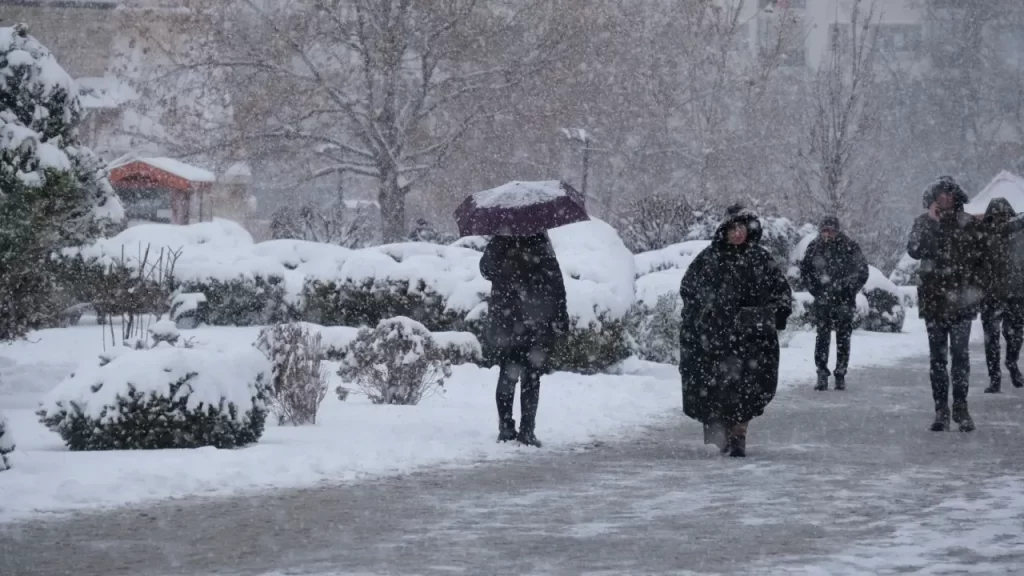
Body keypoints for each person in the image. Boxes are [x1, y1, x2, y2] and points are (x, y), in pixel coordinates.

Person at [679, 205, 793, 457]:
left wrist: (764, 315)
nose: (738, 234)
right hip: (715, 341)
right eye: (733, 228)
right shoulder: (709, 259)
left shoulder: (761, 259)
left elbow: (781, 294)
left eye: (742, 228)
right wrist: (706, 315)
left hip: (751, 342)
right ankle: (720, 435)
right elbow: (689, 290)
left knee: (746, 390)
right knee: (716, 389)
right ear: (725, 231)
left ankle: (738, 436)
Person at [906, 176, 986, 432]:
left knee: (960, 357)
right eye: (941, 195)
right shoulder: (923, 222)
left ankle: (961, 409)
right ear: (933, 198)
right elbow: (915, 250)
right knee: (938, 359)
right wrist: (932, 222)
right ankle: (941, 410)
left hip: (962, 301)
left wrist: (977, 289)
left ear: (957, 197)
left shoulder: (968, 223)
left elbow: (980, 257)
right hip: (934, 301)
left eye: (950, 194)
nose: (946, 198)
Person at [479, 233, 569, 447]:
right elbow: (556, 283)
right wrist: (560, 318)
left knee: (508, 374)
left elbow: (486, 270)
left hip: (507, 321)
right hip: (533, 319)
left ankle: (506, 428)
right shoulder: (539, 241)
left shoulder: (500, 240)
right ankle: (526, 430)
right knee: (531, 377)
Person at [800, 216, 869, 392]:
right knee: (822, 337)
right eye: (824, 230)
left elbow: (862, 271)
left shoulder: (849, 246)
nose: (828, 233)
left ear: (837, 230)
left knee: (843, 337)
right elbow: (805, 271)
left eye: (831, 230)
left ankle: (840, 373)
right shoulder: (814, 247)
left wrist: (849, 288)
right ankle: (821, 373)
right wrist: (815, 290)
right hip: (823, 300)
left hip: (844, 300)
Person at [977, 198, 1024, 393]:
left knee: (1015, 336)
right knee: (991, 340)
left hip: (1016, 295)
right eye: (996, 216)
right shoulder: (982, 236)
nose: (1000, 220)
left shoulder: (1019, 234)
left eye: (1004, 215)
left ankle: (1011, 364)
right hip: (991, 297)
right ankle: (994, 377)